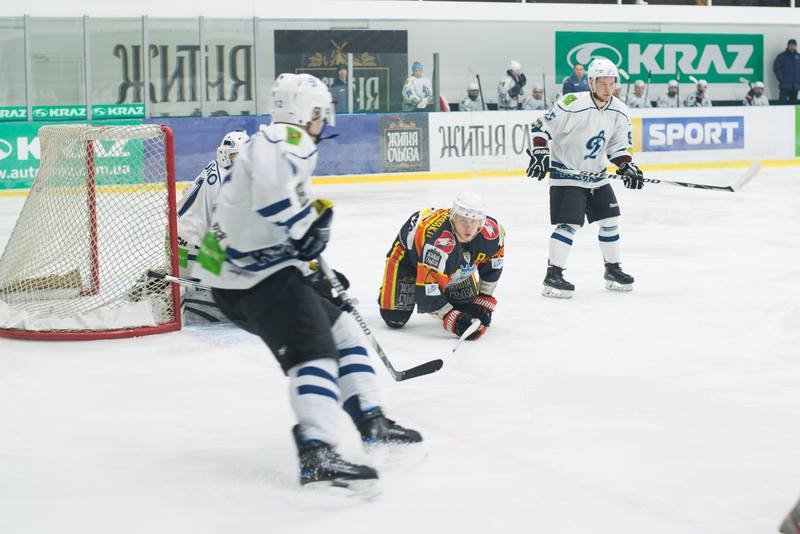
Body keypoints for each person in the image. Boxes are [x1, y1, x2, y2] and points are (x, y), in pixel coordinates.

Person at [193, 73, 422, 490]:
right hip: (251, 279)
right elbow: (275, 200)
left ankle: (371, 420)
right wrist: (305, 231)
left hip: (254, 271)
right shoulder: (285, 139)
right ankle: (317, 453)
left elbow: (271, 215)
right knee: (315, 351)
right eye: (320, 112)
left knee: (344, 329)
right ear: (307, 112)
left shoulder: (271, 143)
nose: (323, 121)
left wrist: (312, 265)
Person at [526, 57, 643, 298]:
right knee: (568, 225)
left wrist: (626, 166)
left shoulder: (620, 110)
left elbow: (618, 147)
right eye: (602, 83)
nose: (607, 89)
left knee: (610, 220)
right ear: (591, 82)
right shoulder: (571, 103)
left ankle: (612, 270)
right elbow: (541, 128)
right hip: (567, 174)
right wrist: (540, 153)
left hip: (597, 177)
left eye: (611, 83)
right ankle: (553, 274)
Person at [377, 192, 504, 340]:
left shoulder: (492, 232)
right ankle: (402, 283)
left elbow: (494, 263)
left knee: (469, 311)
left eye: (473, 221)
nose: (469, 229)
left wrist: (485, 297)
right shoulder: (437, 244)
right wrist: (453, 320)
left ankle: (445, 276)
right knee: (394, 317)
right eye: (463, 221)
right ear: (453, 217)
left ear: (482, 222)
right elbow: (427, 291)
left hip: (450, 263)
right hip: (408, 258)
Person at [174, 130, 248, 322]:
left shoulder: (214, 166)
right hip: (191, 250)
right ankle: (191, 300)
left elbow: (187, 192)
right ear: (224, 154)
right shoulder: (227, 180)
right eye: (236, 155)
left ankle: (189, 286)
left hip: (177, 243)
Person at [773, 38, 800, 105]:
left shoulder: (798, 56)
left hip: (795, 86)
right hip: (785, 85)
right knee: (782, 103)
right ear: (788, 46)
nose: (792, 47)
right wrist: (781, 79)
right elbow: (776, 68)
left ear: (796, 46)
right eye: (791, 45)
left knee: (794, 105)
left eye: (794, 45)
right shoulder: (782, 56)